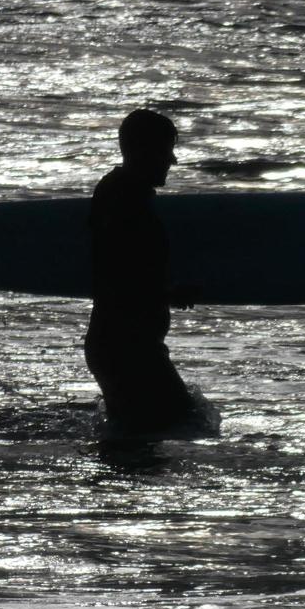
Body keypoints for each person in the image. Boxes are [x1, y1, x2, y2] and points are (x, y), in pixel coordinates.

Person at [85, 108, 199, 437]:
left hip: (127, 344)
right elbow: (115, 273)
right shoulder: (123, 201)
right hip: (125, 347)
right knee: (183, 425)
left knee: (141, 445)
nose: (172, 160)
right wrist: (168, 294)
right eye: (166, 150)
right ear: (142, 151)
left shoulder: (122, 194)